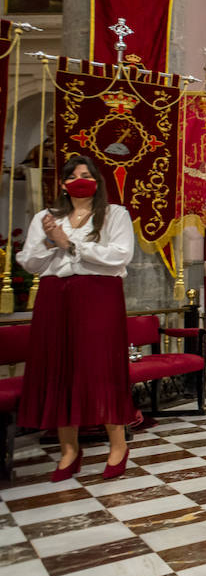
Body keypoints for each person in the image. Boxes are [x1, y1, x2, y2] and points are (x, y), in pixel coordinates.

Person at [17, 155, 136, 482]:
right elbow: (30, 263)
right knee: (60, 367)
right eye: (73, 175)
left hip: (98, 295)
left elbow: (119, 257)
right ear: (63, 183)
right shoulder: (46, 217)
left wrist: (69, 244)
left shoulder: (114, 215)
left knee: (99, 367)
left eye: (86, 174)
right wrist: (49, 240)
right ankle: (69, 449)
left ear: (97, 180)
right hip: (55, 296)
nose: (79, 180)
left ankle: (118, 444)